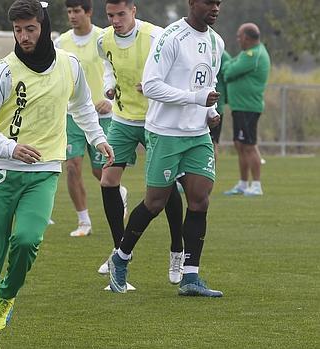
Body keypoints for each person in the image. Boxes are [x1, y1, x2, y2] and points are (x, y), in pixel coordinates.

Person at [0, 1, 114, 348]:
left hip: (44, 170)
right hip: (2, 171)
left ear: (44, 26)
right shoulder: (4, 70)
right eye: (18, 30)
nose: (23, 36)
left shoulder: (69, 65)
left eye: (30, 28)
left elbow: (80, 106)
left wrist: (98, 138)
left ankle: (7, 294)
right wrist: (8, 147)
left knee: (28, 240)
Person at [108, 0, 225, 298]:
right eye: (209, 2)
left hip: (197, 134)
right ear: (192, 3)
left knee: (200, 200)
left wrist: (210, 112)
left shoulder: (216, 42)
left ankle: (191, 277)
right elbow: (151, 85)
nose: (215, 7)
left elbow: (206, 83)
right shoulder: (171, 37)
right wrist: (196, 99)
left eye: (219, 3)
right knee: (155, 202)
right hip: (165, 133)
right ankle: (120, 258)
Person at [96, 0, 185, 285]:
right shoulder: (104, 39)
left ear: (133, 11)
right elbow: (108, 65)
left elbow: (175, 70)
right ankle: (119, 250)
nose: (115, 20)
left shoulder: (156, 36)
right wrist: (109, 86)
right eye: (110, 15)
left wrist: (153, 85)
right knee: (108, 181)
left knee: (165, 184)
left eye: (121, 14)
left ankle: (177, 249)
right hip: (123, 119)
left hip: (155, 120)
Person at [54, 0, 113, 239]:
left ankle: (120, 193)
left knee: (102, 173)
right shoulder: (61, 42)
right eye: (69, 11)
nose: (72, 16)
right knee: (72, 167)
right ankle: (83, 221)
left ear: (88, 12)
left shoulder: (104, 38)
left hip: (101, 115)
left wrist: (112, 100)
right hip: (72, 114)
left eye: (76, 11)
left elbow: (116, 71)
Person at [222, 23, 270, 197]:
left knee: (249, 146)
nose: (238, 39)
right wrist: (230, 66)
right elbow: (232, 64)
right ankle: (243, 184)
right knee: (240, 145)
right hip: (240, 107)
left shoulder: (253, 54)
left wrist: (228, 68)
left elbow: (229, 71)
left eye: (239, 36)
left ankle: (256, 185)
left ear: (247, 38)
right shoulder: (246, 54)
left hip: (248, 107)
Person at [210, 50, 231, 158]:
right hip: (196, 105)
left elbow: (229, 76)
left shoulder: (221, 54)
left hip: (216, 107)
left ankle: (210, 174)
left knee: (212, 144)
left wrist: (226, 98)